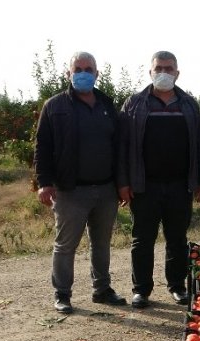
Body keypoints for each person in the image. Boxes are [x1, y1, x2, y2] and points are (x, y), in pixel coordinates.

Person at [34, 51, 127, 314]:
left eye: (89, 69)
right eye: (78, 69)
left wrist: (121, 183)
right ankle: (62, 293)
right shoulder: (54, 106)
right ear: (69, 74)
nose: (83, 73)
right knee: (65, 245)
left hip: (106, 188)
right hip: (70, 190)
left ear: (97, 74)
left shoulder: (108, 105)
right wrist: (44, 182)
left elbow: (118, 146)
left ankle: (102, 289)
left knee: (102, 243)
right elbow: (43, 146)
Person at [118, 51, 200, 309]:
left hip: (180, 184)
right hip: (143, 185)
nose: (164, 73)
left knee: (177, 239)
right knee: (142, 239)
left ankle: (177, 286)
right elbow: (122, 146)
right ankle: (141, 290)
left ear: (177, 73)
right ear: (150, 72)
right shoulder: (134, 104)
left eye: (169, 69)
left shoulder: (189, 104)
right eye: (159, 68)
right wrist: (123, 182)